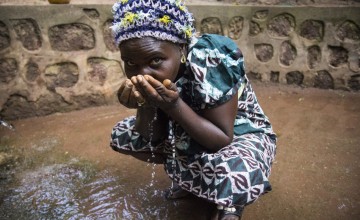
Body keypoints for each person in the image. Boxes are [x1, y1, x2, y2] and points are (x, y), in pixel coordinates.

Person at [109, 0, 277, 219]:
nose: (143, 73)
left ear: (181, 48)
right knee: (123, 136)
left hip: (239, 134)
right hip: (185, 128)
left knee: (239, 171)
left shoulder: (211, 57)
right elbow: (153, 137)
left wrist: (173, 105)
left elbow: (221, 139)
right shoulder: (149, 70)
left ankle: (231, 203)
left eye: (156, 60)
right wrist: (146, 105)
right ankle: (193, 183)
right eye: (130, 62)